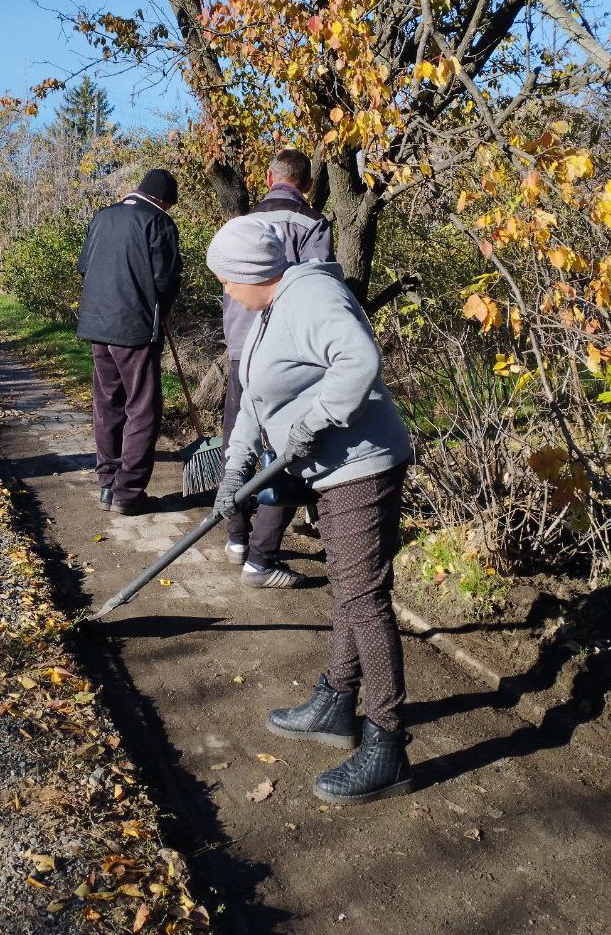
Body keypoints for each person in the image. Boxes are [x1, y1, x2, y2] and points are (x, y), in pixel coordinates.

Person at [206, 216, 415, 804]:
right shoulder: (271, 308)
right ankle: (334, 701)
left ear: (251, 273)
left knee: (364, 598)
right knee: (353, 588)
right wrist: (235, 468)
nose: (225, 290)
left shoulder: (312, 296)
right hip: (334, 468)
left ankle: (388, 744)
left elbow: (359, 360)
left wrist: (311, 422)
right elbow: (253, 394)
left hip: (361, 466)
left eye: (226, 279)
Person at [221, 149, 334, 588]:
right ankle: (262, 555)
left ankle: (236, 536)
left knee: (239, 437)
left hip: (239, 347)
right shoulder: (312, 225)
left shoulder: (240, 226)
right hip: (287, 351)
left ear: (269, 177)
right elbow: (318, 285)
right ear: (305, 184)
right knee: (285, 447)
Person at [77, 169, 181, 514]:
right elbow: (165, 280)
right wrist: (163, 310)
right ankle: (128, 492)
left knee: (107, 403)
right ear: (163, 200)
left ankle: (108, 484)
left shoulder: (102, 217)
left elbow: (84, 267)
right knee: (142, 408)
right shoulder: (159, 222)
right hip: (135, 327)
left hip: (97, 324)